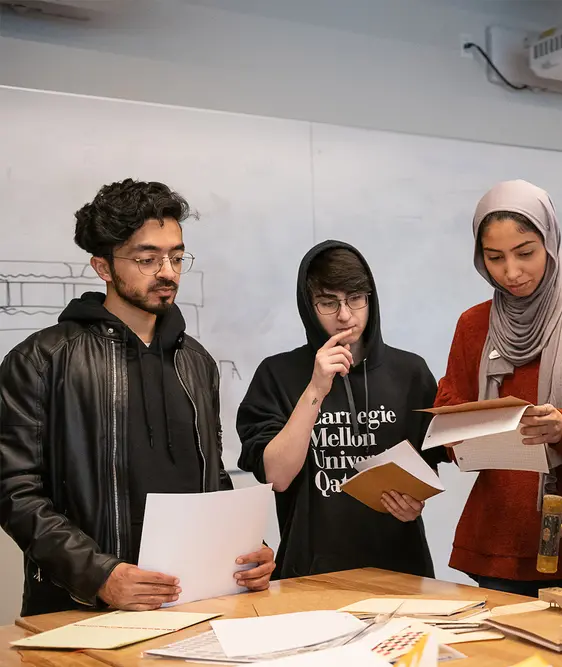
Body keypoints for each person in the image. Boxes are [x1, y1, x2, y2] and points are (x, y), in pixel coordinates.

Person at [0, 179, 274, 616]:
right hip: (79, 607)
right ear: (103, 267)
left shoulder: (196, 362)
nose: (167, 271)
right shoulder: (42, 359)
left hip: (196, 599)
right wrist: (99, 575)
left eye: (177, 256)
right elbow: (15, 490)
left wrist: (250, 549)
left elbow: (211, 480)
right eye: (148, 258)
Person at [434, 179, 562, 597]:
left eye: (525, 253)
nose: (511, 272)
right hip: (499, 536)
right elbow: (450, 432)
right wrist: (459, 434)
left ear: (551, 244)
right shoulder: (474, 325)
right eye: (494, 258)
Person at [237, 241, 445, 579]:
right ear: (309, 306)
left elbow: (429, 468)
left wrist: (414, 503)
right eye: (328, 303)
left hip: (400, 570)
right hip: (309, 574)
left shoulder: (410, 372)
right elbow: (277, 476)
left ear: (370, 300)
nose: (345, 315)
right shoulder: (277, 374)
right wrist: (317, 388)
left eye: (355, 299)